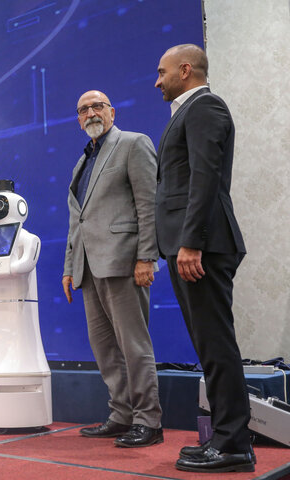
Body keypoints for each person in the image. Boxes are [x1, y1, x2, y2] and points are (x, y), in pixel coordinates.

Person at [154, 44, 254, 473]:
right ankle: (225, 438)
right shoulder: (186, 112)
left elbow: (205, 176)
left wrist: (191, 242)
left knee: (216, 346)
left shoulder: (204, 107)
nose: (157, 81)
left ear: (185, 70)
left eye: (162, 72)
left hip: (203, 246)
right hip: (190, 244)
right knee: (209, 348)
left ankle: (233, 445)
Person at [62, 90, 163, 447]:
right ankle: (122, 415)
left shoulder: (134, 144)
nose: (90, 112)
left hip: (124, 262)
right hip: (89, 268)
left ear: (112, 112)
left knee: (134, 346)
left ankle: (148, 420)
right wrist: (69, 267)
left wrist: (147, 257)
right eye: (83, 109)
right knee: (105, 350)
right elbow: (78, 220)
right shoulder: (83, 161)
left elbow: (149, 205)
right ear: (78, 119)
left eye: (97, 106)